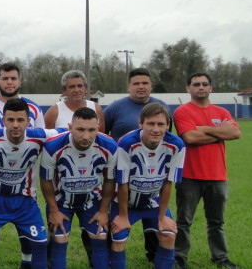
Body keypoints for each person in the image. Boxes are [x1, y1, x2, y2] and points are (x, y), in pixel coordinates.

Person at [0, 98, 63, 269]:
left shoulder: (39, 136)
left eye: (20, 120)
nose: (15, 125)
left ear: (28, 121)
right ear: (3, 121)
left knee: (40, 244)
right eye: (10, 120)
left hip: (24, 200)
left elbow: (69, 132)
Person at [0, 62, 44, 268]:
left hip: (24, 184)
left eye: (13, 78)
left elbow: (41, 141)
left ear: (20, 81)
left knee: (30, 235)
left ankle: (27, 263)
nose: (9, 82)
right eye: (5, 78)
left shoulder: (34, 109)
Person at [173, 73, 241, 269]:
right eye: (196, 84)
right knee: (183, 221)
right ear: (188, 88)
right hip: (189, 177)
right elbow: (191, 138)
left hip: (218, 177)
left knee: (216, 222)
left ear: (211, 87)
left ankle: (221, 258)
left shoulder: (221, 111)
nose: (200, 87)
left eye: (204, 84)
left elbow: (235, 133)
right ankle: (179, 257)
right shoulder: (182, 111)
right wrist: (220, 134)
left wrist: (204, 128)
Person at [103, 67, 170, 262]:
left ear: (151, 86)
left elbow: (168, 140)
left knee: (153, 219)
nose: (141, 87)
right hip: (122, 176)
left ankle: (154, 255)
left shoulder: (162, 106)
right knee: (117, 222)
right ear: (129, 86)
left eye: (145, 83)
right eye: (136, 83)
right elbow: (102, 135)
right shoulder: (115, 107)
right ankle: (110, 258)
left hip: (152, 177)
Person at [39, 107, 117, 269]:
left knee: (100, 237)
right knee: (59, 239)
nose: (86, 136)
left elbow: (110, 180)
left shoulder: (109, 146)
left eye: (91, 130)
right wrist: (54, 211)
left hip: (92, 201)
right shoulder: (53, 146)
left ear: (98, 128)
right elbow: (45, 180)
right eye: (80, 129)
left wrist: (103, 212)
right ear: (70, 128)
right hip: (61, 202)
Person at [109, 103, 185, 269]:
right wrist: (122, 215)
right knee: (118, 237)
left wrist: (163, 216)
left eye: (161, 124)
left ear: (168, 125)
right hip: (124, 202)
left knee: (169, 235)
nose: (156, 129)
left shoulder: (177, 145)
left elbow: (168, 182)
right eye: (150, 124)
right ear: (140, 123)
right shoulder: (127, 143)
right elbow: (122, 182)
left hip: (153, 200)